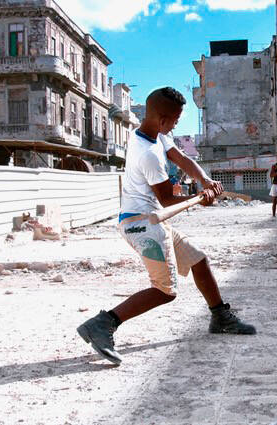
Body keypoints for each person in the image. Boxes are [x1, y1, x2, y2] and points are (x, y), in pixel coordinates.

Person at [77, 87, 256, 365]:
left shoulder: (158, 136)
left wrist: (205, 182)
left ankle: (220, 316)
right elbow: (167, 198)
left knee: (199, 260)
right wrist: (199, 199)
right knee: (164, 290)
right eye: (174, 120)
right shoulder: (146, 152)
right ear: (161, 120)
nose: (176, 125)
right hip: (142, 224)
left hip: (150, 219)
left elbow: (183, 159)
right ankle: (103, 323)